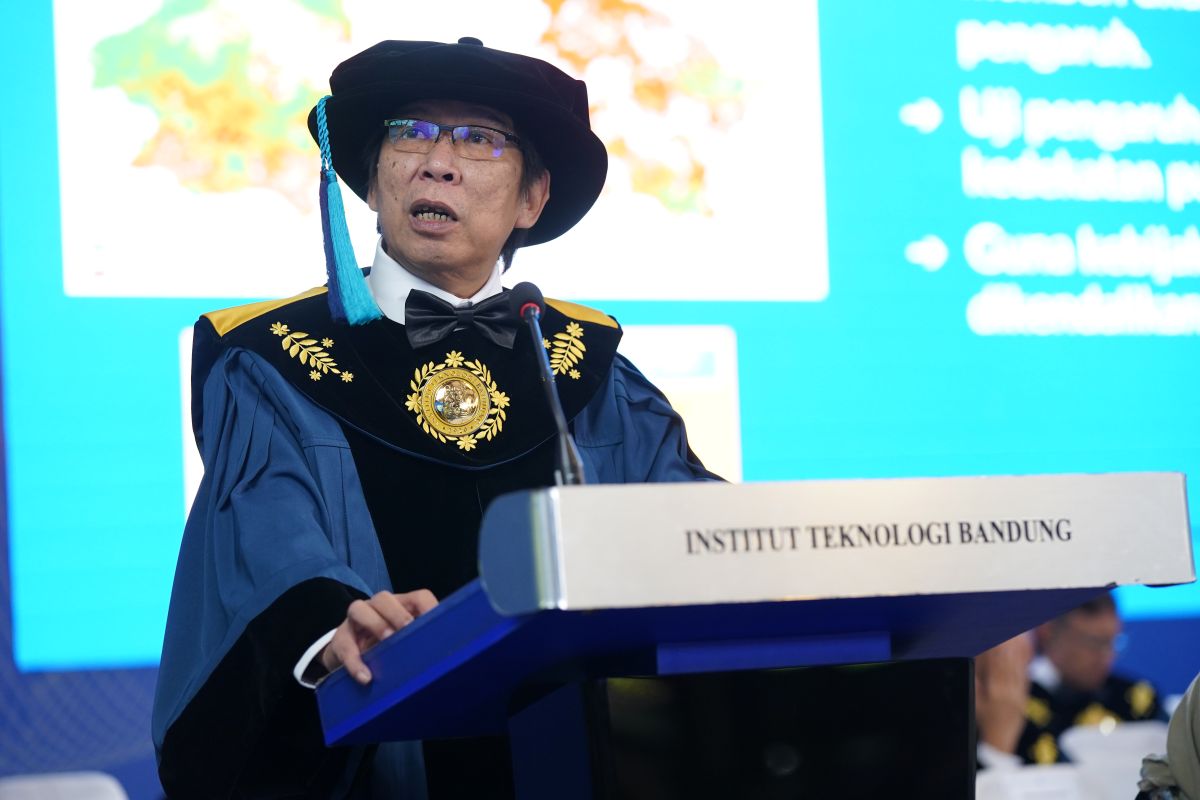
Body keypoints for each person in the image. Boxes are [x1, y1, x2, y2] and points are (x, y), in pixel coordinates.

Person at [151, 38, 717, 798]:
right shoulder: (273, 358)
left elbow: (690, 522)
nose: (438, 163)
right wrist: (332, 626)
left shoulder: (583, 363)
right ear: (371, 178)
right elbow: (266, 533)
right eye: (411, 132)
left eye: (479, 139)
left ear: (532, 199)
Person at [976, 592, 1164, 768]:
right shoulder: (1011, 701)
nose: (1106, 656)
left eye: (1112, 642)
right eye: (1093, 643)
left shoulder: (1134, 699)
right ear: (1047, 631)